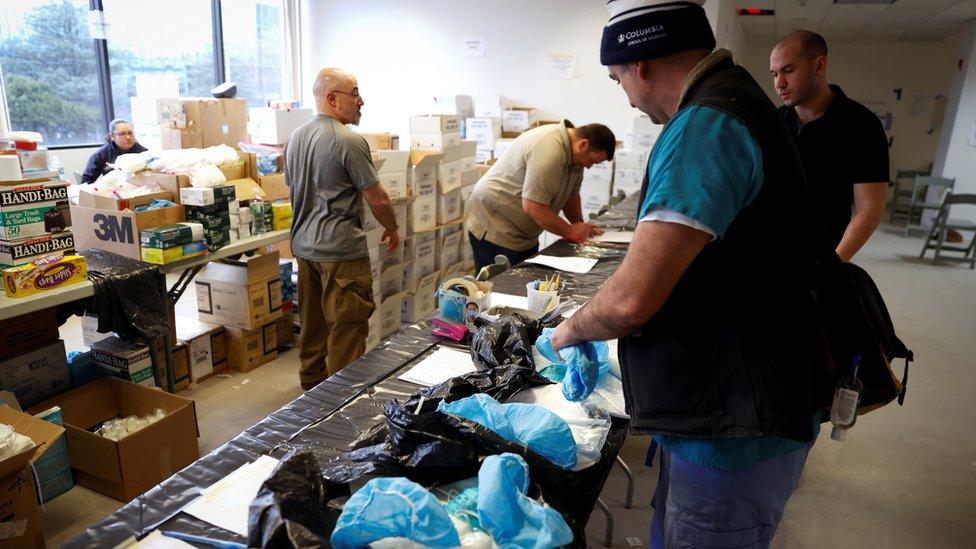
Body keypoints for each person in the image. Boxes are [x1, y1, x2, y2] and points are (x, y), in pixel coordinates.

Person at [548, 1, 827, 547]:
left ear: (642, 63)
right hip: (742, 397)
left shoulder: (706, 123)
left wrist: (571, 328)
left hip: (736, 418)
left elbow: (633, 299)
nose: (624, 94)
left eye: (617, 78)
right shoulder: (738, 98)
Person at [286, 67, 400, 391]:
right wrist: (391, 228)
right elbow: (377, 199)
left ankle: (309, 398)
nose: (361, 101)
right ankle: (341, 408)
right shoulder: (348, 140)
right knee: (347, 335)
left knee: (312, 332)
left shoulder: (296, 138)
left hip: (305, 249)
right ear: (332, 98)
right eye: (355, 93)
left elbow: (295, 191)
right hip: (340, 255)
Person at [770, 30, 889, 261]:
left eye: (788, 70)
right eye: (774, 74)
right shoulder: (774, 121)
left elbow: (869, 209)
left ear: (819, 65)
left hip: (821, 255)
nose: (779, 84)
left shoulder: (862, 125)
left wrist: (833, 265)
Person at [465, 120, 615, 271]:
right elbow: (533, 207)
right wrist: (571, 232)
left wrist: (580, 225)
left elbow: (571, 195)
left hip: (524, 231)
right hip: (496, 224)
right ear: (584, 145)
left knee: (525, 281)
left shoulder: (575, 154)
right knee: (501, 289)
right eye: (591, 161)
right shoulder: (549, 151)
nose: (589, 166)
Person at [82, 118, 147, 183]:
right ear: (112, 136)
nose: (128, 137)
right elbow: (87, 180)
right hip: (111, 189)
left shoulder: (143, 153)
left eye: (130, 133)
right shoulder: (101, 154)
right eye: (122, 134)